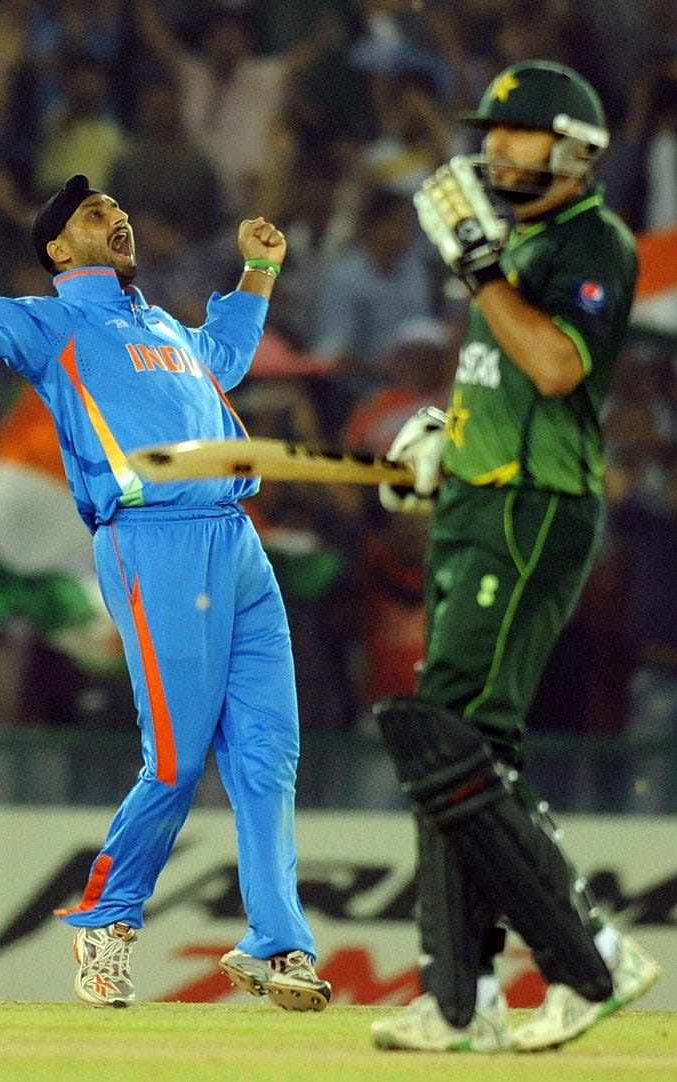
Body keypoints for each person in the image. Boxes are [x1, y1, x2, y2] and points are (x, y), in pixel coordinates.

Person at [0, 173, 330, 1012]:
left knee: (268, 757)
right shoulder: (49, 325)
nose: (117, 216)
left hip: (236, 541)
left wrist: (258, 273)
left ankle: (278, 941)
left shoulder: (161, 325)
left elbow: (225, 354)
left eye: (117, 207)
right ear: (58, 248)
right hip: (155, 546)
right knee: (180, 760)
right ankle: (106, 918)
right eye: (94, 214)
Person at [367, 60, 661, 1053]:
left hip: (535, 510)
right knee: (459, 746)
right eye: (490, 132)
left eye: (517, 133)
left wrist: (477, 266)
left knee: (448, 735)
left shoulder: (591, 240)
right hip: (479, 500)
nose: (493, 148)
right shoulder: (520, 240)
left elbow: (555, 362)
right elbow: (499, 375)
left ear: (574, 147)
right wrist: (440, 441)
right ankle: (461, 999)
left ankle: (592, 958)